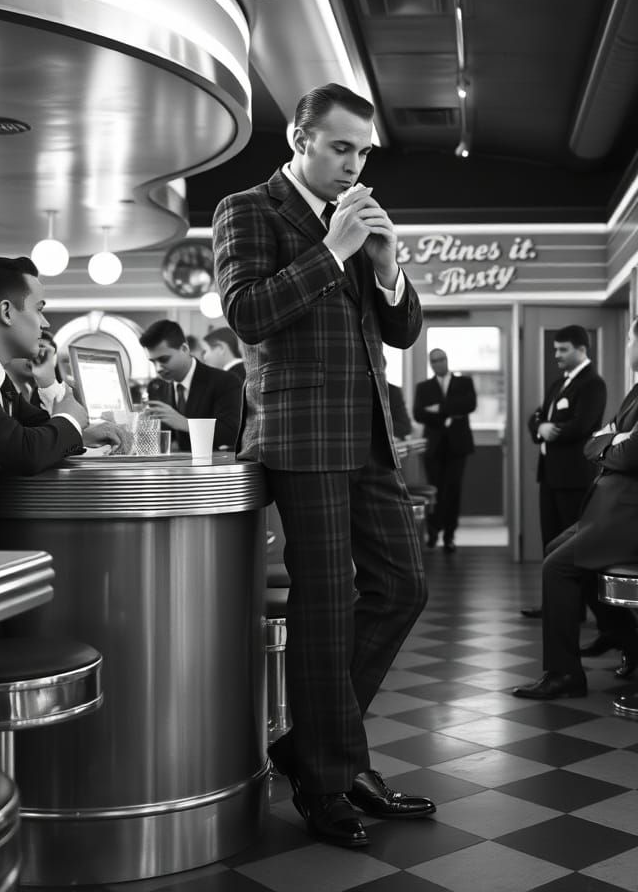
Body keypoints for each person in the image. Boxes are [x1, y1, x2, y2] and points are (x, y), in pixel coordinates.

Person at [212, 82, 432, 849]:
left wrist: (385, 263)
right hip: (299, 435)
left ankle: (312, 748)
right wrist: (333, 248)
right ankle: (329, 774)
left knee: (405, 585)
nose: (355, 162)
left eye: (363, 150)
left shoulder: (360, 220)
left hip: (369, 435)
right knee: (326, 603)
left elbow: (400, 334)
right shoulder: (248, 209)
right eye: (341, 147)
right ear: (300, 140)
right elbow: (247, 314)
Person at [513, 311, 638, 700]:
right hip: (621, 514)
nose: (627, 345)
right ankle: (623, 636)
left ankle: (564, 675)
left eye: (629, 339)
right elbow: (599, 439)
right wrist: (614, 439)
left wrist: (612, 441)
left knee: (557, 567)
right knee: (556, 549)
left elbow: (630, 455)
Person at [0, 257, 122, 548]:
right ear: (7, 312)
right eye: (39, 309)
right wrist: (70, 420)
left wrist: (81, 431)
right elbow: (22, 450)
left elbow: (36, 425)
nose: (45, 323)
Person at [521, 325, 608, 619]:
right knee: (551, 543)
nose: (556, 354)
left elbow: (582, 426)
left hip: (573, 478)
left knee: (570, 548)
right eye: (555, 349)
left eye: (563, 349)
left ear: (582, 349)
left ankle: (576, 609)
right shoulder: (558, 384)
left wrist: (548, 428)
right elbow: (535, 418)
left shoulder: (592, 384)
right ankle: (555, 606)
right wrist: (542, 427)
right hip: (549, 475)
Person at [140, 320, 242, 452]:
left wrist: (186, 424)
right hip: (170, 469)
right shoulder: (156, 386)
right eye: (153, 362)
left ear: (184, 349)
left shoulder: (225, 381)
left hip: (214, 468)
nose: (158, 368)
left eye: (164, 359)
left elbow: (231, 433)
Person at [412, 349, 476, 552]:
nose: (438, 364)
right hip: (435, 447)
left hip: (458, 446)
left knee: (453, 490)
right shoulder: (424, 387)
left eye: (441, 359)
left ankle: (449, 535)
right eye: (433, 361)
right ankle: (432, 532)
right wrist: (451, 410)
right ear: (431, 364)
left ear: (447, 360)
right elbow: (418, 413)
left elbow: (469, 404)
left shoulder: (464, 382)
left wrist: (439, 408)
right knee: (435, 490)